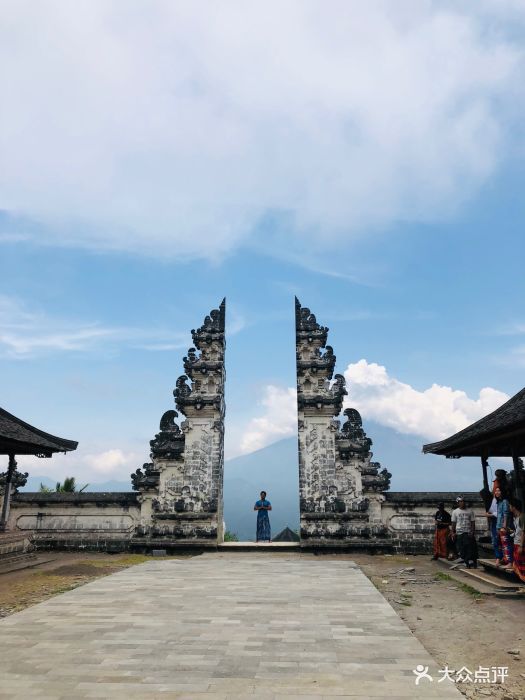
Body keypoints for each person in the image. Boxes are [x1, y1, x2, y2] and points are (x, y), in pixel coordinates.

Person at [451, 496, 478, 568]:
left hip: (468, 531)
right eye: (460, 501)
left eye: (463, 501)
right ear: (458, 503)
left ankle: (468, 560)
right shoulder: (455, 512)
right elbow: (453, 522)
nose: (462, 503)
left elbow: (472, 522)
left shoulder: (470, 511)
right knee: (461, 547)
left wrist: (472, 531)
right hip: (459, 531)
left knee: (469, 546)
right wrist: (452, 532)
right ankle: (464, 559)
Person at [495, 485, 514, 568]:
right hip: (499, 526)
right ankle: (504, 559)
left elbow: (506, 514)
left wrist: (504, 526)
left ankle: (510, 562)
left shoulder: (505, 501)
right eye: (496, 491)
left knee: (507, 544)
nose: (496, 492)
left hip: (503, 526)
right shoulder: (499, 502)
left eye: (498, 491)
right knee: (500, 544)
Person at [510, 498, 525, 583]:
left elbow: (524, 532)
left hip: (520, 544)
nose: (509, 507)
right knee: (516, 565)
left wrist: (521, 546)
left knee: (521, 566)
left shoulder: (522, 517)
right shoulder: (516, 518)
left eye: (510, 506)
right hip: (516, 543)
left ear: (514, 507)